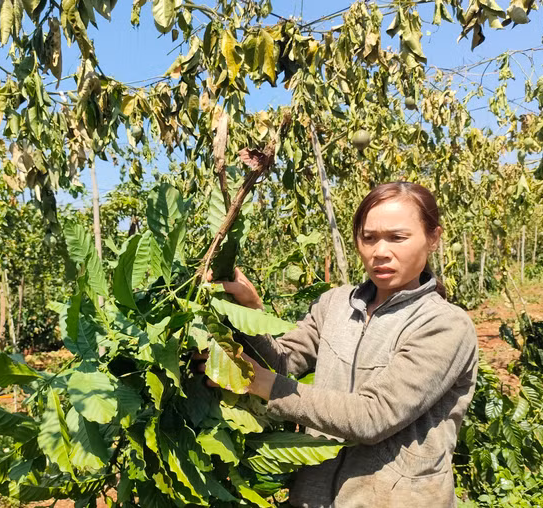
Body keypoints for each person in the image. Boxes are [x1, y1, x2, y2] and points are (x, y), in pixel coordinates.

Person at [203, 182, 479, 507]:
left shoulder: (444, 325)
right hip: (313, 497)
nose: (380, 252)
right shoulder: (335, 303)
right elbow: (283, 363)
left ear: (433, 238)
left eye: (397, 237)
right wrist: (248, 313)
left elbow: (374, 416)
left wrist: (255, 381)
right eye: (369, 237)